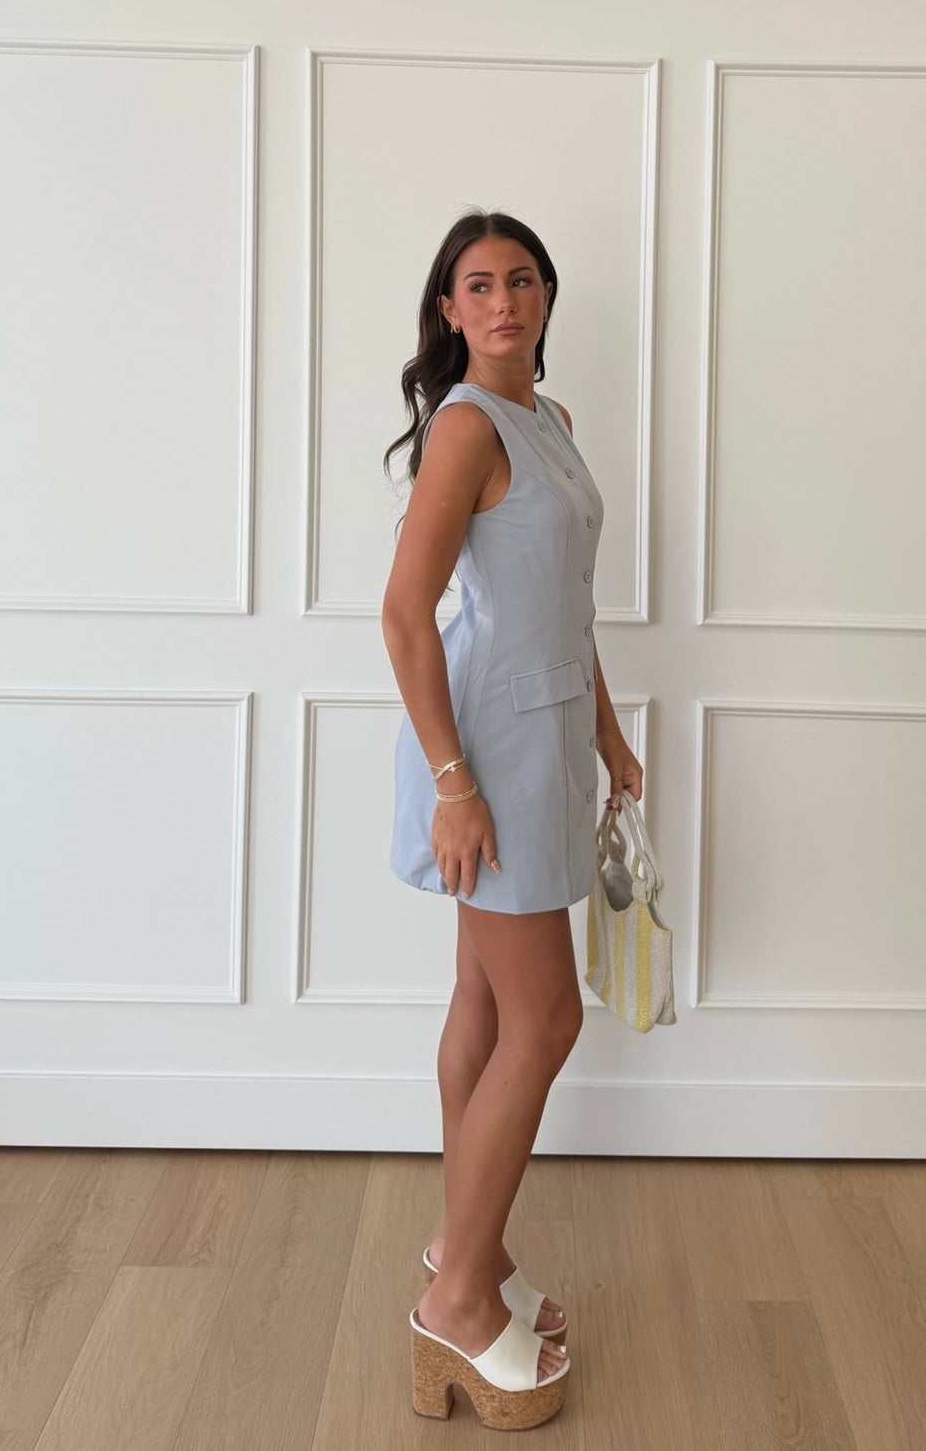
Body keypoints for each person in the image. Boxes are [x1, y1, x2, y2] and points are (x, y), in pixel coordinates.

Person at [382, 209, 644, 1429]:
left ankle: (464, 1257)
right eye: (477, 284)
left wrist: (605, 725)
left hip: (546, 740)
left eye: (521, 279)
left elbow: (564, 604)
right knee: (544, 1020)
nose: (503, 300)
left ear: (546, 296)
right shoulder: (469, 429)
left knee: (489, 1009)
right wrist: (452, 783)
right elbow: (403, 614)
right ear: (449, 309)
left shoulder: (552, 420)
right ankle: (457, 1305)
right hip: (484, 756)